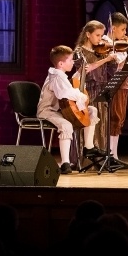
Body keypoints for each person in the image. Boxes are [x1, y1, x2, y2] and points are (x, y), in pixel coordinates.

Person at [36, 45, 101, 174]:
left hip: (59, 110)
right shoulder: (55, 76)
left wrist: (80, 73)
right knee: (66, 125)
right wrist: (82, 96)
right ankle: (65, 163)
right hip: (47, 111)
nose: (72, 62)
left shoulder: (61, 76)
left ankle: (88, 147)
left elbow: (70, 84)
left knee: (91, 111)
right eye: (70, 60)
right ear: (61, 63)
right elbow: (64, 93)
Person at [75, 20, 119, 155]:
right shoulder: (80, 52)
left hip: (102, 91)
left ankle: (101, 157)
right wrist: (106, 59)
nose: (100, 39)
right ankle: (85, 157)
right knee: (89, 122)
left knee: (102, 124)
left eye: (101, 35)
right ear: (88, 34)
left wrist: (113, 61)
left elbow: (110, 72)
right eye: (97, 35)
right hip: (88, 92)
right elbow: (85, 71)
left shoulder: (100, 51)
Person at [107, 12, 128, 162]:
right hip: (115, 84)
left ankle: (114, 154)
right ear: (113, 28)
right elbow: (114, 67)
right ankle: (111, 154)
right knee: (114, 118)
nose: (125, 33)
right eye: (122, 29)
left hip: (124, 84)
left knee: (120, 119)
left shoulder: (121, 45)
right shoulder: (106, 43)